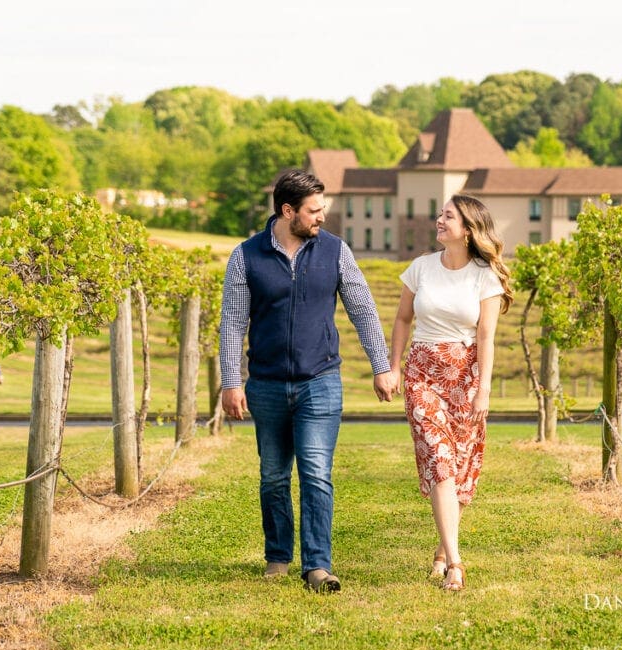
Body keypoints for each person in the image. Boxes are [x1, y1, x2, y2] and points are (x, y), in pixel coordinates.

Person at [219, 169, 396, 593]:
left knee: (316, 473)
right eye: (314, 211)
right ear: (287, 210)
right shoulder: (246, 256)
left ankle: (318, 565)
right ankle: (278, 557)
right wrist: (231, 380)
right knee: (274, 476)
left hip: (320, 380)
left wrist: (382, 365)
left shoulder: (335, 251)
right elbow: (232, 321)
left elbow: (364, 310)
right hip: (265, 383)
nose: (322, 218)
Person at [386, 194, 513, 591]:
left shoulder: (484, 275)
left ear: (468, 228)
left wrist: (484, 390)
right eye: (439, 213)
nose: (439, 220)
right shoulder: (421, 267)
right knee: (439, 460)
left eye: (448, 216)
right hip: (422, 372)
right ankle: (456, 564)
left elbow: (486, 336)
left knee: (458, 468)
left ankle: (443, 549)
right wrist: (393, 366)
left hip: (464, 377)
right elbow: (403, 318)